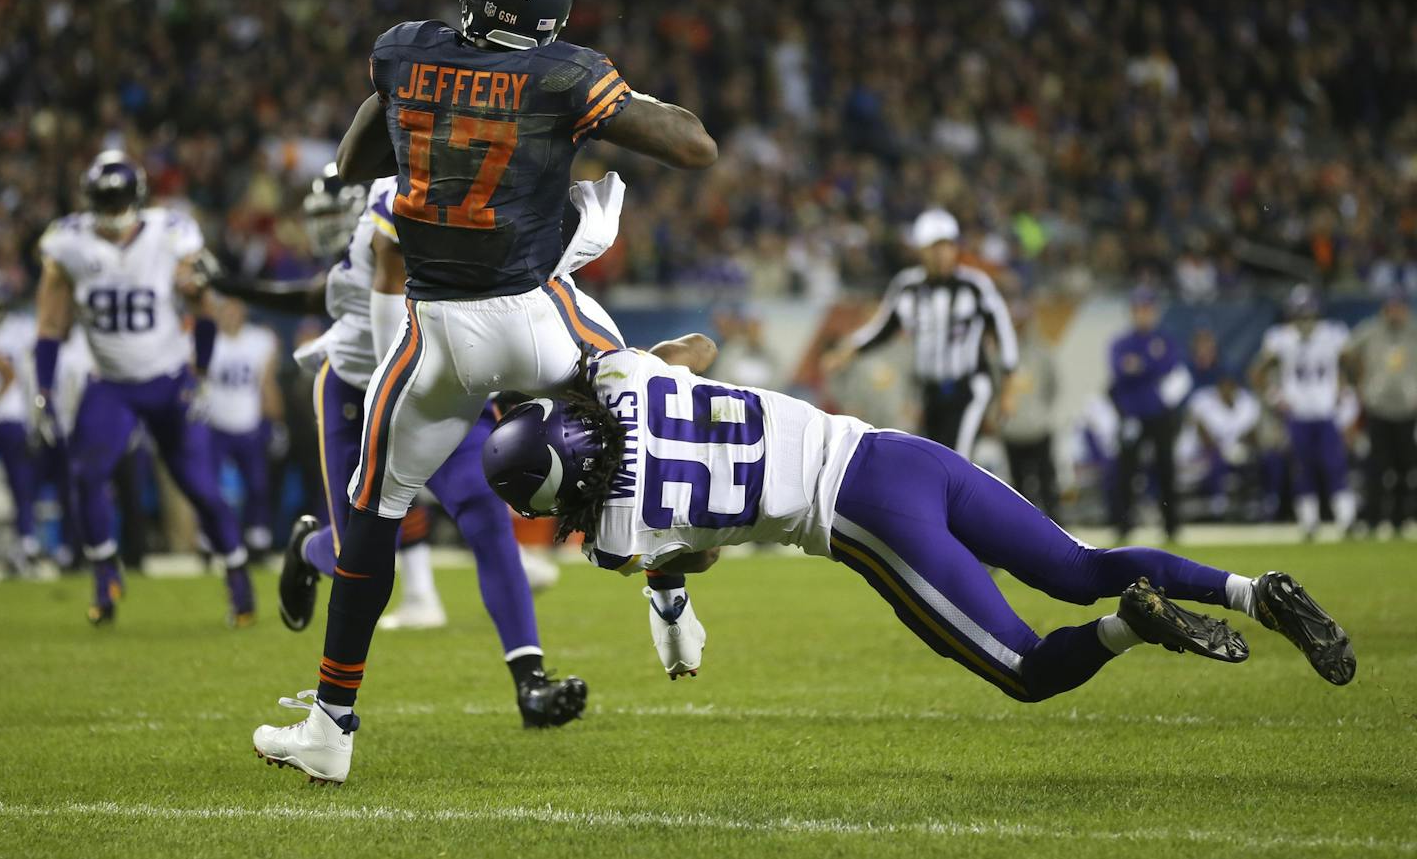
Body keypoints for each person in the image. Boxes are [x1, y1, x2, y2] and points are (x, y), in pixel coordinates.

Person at [250, 0, 717, 786]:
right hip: (534, 313)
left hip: (434, 337)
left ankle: (330, 723)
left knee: (369, 517)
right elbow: (695, 145)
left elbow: (356, 158)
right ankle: (670, 599)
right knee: (643, 419)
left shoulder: (405, 52)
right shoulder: (566, 72)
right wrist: (603, 95)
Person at [480, 336, 1355, 715]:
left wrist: (668, 600)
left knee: (1026, 669)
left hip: (862, 515)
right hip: (897, 451)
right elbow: (696, 353)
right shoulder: (627, 378)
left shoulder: (617, 535)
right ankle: (1253, 590)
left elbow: (684, 558)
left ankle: (1136, 624)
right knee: (1079, 562)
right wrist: (635, 371)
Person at [215, 168, 573, 688]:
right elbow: (356, 312)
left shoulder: (463, 197)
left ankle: (530, 679)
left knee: (488, 521)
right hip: (364, 389)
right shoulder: (396, 203)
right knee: (353, 553)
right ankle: (308, 549)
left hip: (442, 384)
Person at [32, 151, 253, 625]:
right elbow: (50, 323)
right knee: (86, 476)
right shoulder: (68, 242)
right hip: (110, 383)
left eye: (118, 198)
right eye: (103, 199)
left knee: (200, 488)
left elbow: (203, 304)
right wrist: (43, 390)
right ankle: (104, 576)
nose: (112, 209)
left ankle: (239, 581)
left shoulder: (169, 234)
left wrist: (202, 371)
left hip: (168, 379)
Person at [822, 209, 1018, 457]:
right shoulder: (908, 286)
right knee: (932, 457)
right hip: (928, 389)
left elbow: (1004, 332)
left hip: (968, 385)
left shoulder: (975, 285)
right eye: (935, 247)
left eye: (947, 245)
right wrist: (846, 351)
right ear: (921, 250)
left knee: (955, 458)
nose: (942, 254)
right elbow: (883, 328)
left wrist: (1008, 388)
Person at [1251, 286, 1356, 539]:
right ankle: (1309, 522)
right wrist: (1275, 398)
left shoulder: (1333, 334)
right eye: (1300, 315)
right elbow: (1257, 373)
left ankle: (1346, 519)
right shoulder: (1280, 338)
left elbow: (1353, 363)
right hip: (1297, 416)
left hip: (1325, 412)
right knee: (1302, 469)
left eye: (1308, 315)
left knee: (1334, 465)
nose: (1304, 321)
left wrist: (1344, 386)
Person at [1108, 287, 1190, 541]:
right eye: (1139, 309)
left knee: (1165, 467)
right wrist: (1149, 365)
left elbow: (1169, 366)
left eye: (1147, 309)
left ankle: (1171, 525)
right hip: (1131, 413)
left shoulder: (1164, 340)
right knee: (1126, 470)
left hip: (1158, 413)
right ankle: (1123, 525)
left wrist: (1140, 365)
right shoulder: (1122, 343)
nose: (1143, 314)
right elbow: (1120, 371)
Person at [203, 296, 283, 558]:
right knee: (208, 486)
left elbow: (267, 382)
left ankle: (257, 538)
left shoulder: (260, 340)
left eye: (235, 309)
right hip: (215, 422)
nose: (231, 315)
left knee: (258, 485)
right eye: (226, 309)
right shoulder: (207, 338)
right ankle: (210, 538)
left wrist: (277, 420)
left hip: (249, 421)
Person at [1343, 294, 1417, 534]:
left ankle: (1399, 519)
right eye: (1391, 308)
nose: (1395, 313)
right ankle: (1373, 519)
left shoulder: (1414, 331)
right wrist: (1359, 381)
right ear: (1385, 310)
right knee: (1377, 466)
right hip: (1378, 408)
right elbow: (1346, 353)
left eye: (1399, 308)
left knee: (1405, 467)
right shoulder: (1371, 330)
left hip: (1407, 409)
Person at [997, 297, 1062, 521]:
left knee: (1047, 485)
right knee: (1018, 488)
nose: (1020, 326)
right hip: (1012, 429)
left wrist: (1039, 412)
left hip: (1038, 428)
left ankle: (1057, 529)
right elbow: (995, 389)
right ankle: (1023, 530)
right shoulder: (1000, 354)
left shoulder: (1042, 351)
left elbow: (1052, 386)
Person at [0, 278, 39, 572]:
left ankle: (27, 543)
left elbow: (17, 375)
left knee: (21, 482)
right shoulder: (21, 329)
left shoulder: (21, 329)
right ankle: (25, 543)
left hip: (10, 414)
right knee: (18, 482)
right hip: (7, 414)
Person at [1184, 368, 1261, 520]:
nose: (1227, 390)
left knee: (1257, 459)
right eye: (1224, 386)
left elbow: (1252, 436)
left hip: (1233, 453)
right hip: (1200, 453)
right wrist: (1225, 450)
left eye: (1230, 386)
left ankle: (1255, 502)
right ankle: (1218, 502)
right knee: (1217, 458)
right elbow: (1204, 438)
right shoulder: (1203, 402)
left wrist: (1239, 447)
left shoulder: (1246, 403)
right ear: (1218, 387)